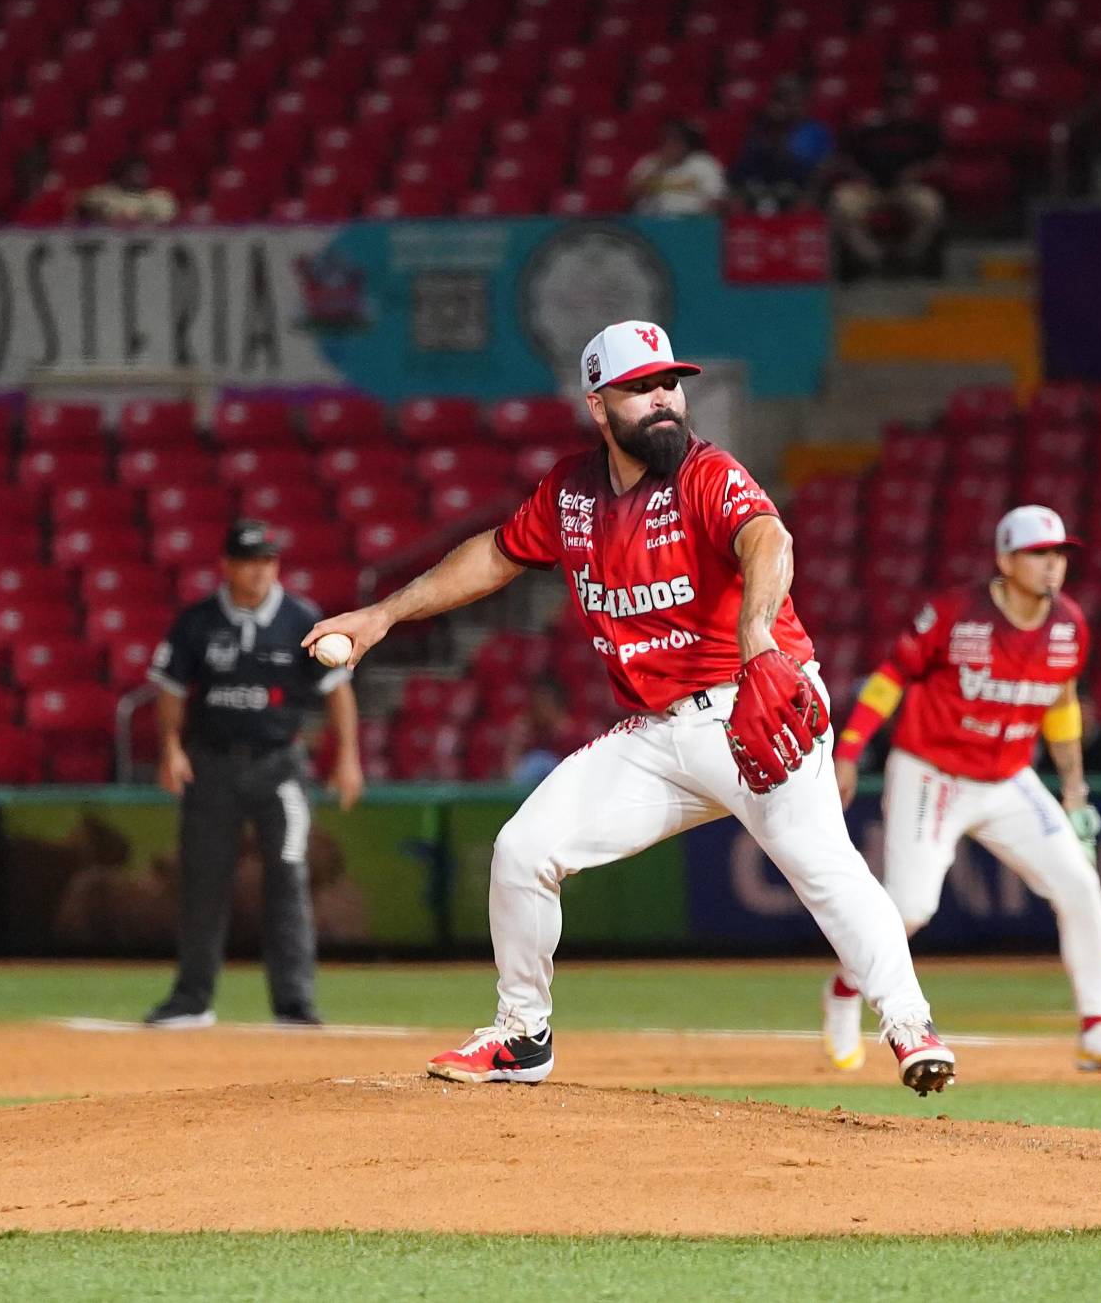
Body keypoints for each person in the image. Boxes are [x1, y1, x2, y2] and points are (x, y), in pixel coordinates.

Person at [305, 321, 955, 1094]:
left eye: (669, 384)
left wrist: (759, 643)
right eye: (640, 388)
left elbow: (767, 539)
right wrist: (381, 616)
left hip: (754, 704)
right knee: (522, 851)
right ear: (598, 405)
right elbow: (495, 554)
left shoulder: (707, 475)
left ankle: (909, 1024)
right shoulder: (571, 492)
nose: (663, 401)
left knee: (821, 864)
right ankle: (522, 1036)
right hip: (654, 735)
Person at [827, 505, 1101, 1073]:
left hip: (1006, 780)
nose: (1052, 566)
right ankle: (849, 987)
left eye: (1058, 555)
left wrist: (1073, 786)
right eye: (1037, 553)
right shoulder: (955, 614)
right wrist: (848, 752)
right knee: (910, 908)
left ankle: (1096, 1029)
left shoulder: (1069, 624)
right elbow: (890, 677)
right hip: (933, 770)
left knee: (1079, 884)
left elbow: (1062, 704)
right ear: (1005, 560)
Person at [141, 520, 365, 1028]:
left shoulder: (300, 618)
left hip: (279, 769)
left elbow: (338, 691)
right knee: (202, 881)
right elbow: (171, 691)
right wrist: (171, 749)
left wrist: (347, 756)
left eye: (266, 560)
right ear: (226, 566)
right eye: (247, 560)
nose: (258, 570)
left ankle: (294, 1003)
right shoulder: (197, 622)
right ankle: (191, 999)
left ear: (276, 565)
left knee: (288, 877)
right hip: (211, 765)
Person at [828, 74, 946, 278]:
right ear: (885, 101)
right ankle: (873, 258)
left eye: (903, 97)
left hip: (906, 188)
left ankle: (907, 256)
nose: (898, 102)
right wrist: (859, 174)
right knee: (840, 203)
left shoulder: (923, 130)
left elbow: (940, 162)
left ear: (911, 100)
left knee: (932, 205)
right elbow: (844, 159)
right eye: (893, 97)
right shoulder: (869, 129)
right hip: (869, 188)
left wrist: (918, 171)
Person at [730, 76, 834, 212]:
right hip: (763, 187)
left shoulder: (817, 131)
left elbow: (822, 168)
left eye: (794, 96)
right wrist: (774, 128)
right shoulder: (763, 129)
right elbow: (747, 165)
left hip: (802, 189)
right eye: (783, 97)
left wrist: (812, 192)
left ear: (804, 100)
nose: (790, 102)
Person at [625, 120, 727, 216]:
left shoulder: (704, 163)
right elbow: (630, 196)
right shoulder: (649, 162)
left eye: (676, 140)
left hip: (691, 223)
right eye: (667, 140)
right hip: (652, 222)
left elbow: (716, 200)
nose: (672, 145)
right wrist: (660, 167)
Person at [510, 681, 575, 787]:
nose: (536, 710)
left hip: (570, 791)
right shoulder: (538, 735)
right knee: (537, 760)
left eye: (540, 704)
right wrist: (514, 745)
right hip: (540, 794)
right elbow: (512, 778)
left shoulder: (576, 735)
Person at [81, 155, 178, 226]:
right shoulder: (104, 195)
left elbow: (167, 220)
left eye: (142, 172)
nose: (139, 176)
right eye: (134, 171)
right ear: (123, 173)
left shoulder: (160, 198)